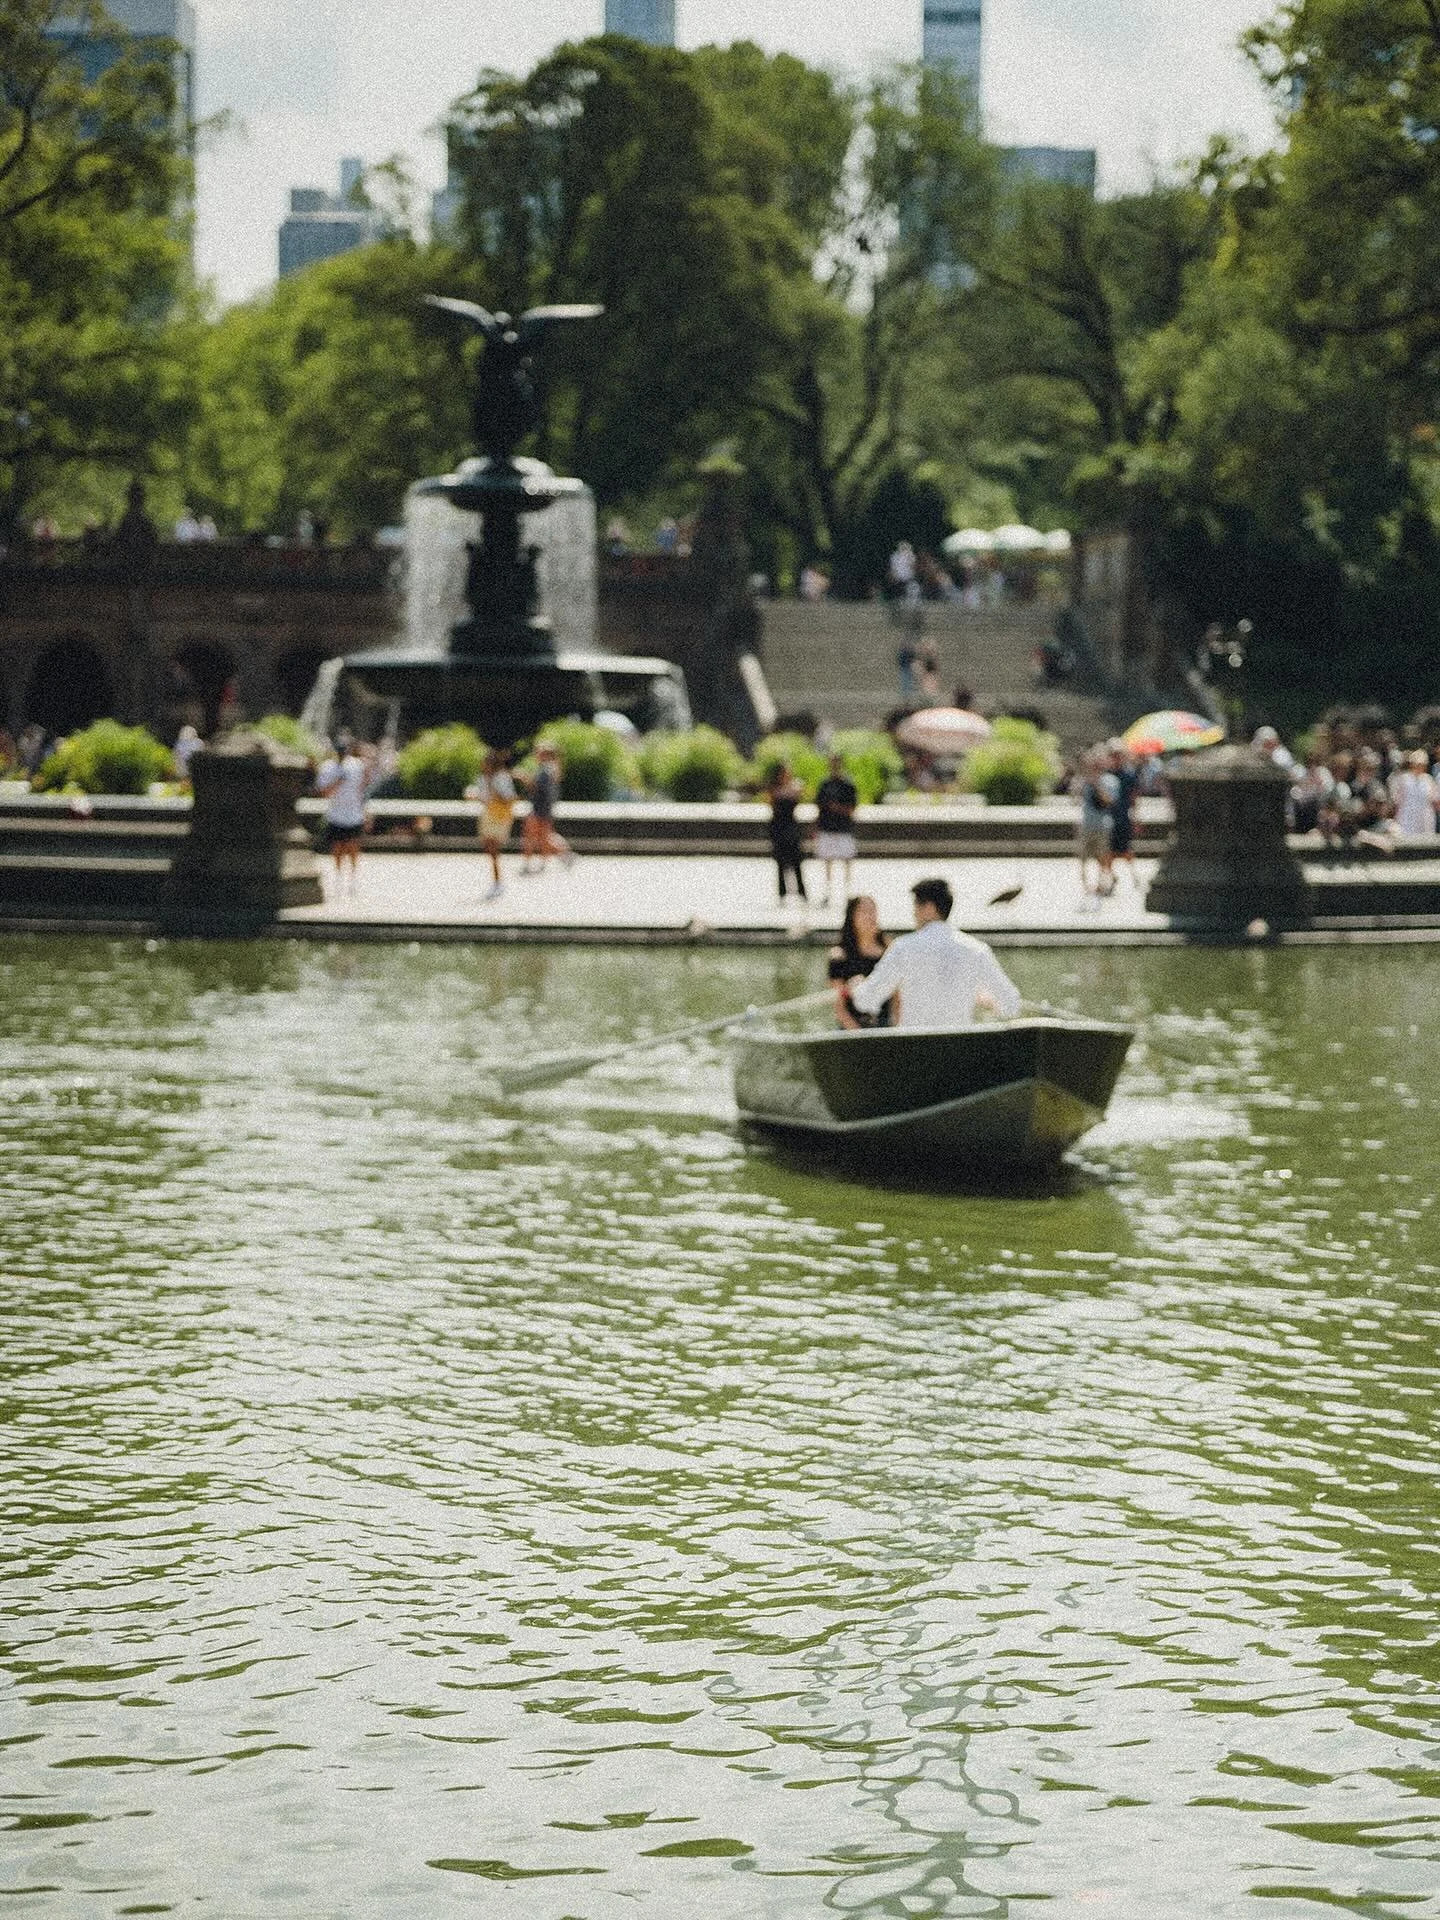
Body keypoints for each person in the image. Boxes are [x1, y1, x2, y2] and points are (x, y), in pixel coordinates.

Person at [849, 878, 1021, 1030]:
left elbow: (866, 1001)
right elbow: (1011, 1004)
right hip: (959, 1052)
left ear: (929, 908)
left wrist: (856, 987)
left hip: (915, 1052)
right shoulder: (976, 950)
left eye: (916, 905)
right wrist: (986, 999)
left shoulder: (903, 948)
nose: (913, 913)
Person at [316, 732, 377, 895]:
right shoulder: (328, 767)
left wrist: (365, 811)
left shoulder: (357, 765)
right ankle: (337, 877)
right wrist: (339, 781)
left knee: (353, 848)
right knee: (337, 848)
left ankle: (353, 879)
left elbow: (363, 790)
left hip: (354, 814)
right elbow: (324, 792)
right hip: (336, 814)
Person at [829, 895, 894, 1029]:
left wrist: (895, 1028)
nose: (870, 915)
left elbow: (897, 995)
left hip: (885, 1026)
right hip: (852, 1027)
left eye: (873, 910)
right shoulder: (839, 955)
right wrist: (858, 1034)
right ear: (852, 916)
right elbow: (839, 1006)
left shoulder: (889, 950)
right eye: (865, 911)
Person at [467, 749, 519, 898]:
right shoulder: (482, 778)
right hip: (489, 814)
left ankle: (498, 881)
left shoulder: (501, 778)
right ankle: (497, 879)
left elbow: (509, 797)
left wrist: (496, 794)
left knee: (493, 848)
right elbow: (485, 798)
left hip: (499, 816)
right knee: (489, 846)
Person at [814, 754, 859, 906]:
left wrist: (838, 808)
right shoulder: (824, 785)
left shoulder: (847, 786)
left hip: (843, 829)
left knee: (847, 862)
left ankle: (848, 894)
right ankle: (827, 893)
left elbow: (852, 808)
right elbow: (819, 807)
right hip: (827, 828)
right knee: (827, 863)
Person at [520, 743, 573, 873]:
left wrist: (524, 779)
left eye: (539, 752)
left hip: (540, 806)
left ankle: (529, 863)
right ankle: (558, 856)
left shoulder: (546, 769)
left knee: (531, 834)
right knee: (544, 835)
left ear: (545, 755)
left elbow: (538, 787)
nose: (536, 755)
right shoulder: (552, 768)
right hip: (545, 806)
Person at [1077, 749, 1118, 896]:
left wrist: (1096, 785)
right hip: (1087, 823)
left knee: (1103, 856)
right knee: (1083, 856)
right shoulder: (1084, 780)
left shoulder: (1110, 781)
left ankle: (1102, 883)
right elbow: (1075, 797)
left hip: (1103, 825)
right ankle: (1086, 884)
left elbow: (1109, 801)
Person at [767, 761, 808, 906]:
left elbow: (799, 794)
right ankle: (782, 892)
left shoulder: (794, 787)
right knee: (780, 862)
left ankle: (802, 892)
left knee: (797, 861)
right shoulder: (774, 789)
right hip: (778, 827)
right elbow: (771, 803)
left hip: (791, 827)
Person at [1108, 744, 1141, 888]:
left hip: (1123, 816)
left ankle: (1134, 875)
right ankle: (1111, 876)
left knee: (1126, 850)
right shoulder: (1107, 775)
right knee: (1107, 851)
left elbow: (1133, 797)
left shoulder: (1129, 775)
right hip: (1108, 817)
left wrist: (1136, 817)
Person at [1390, 750, 1437, 839]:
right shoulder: (1403, 779)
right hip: (1406, 819)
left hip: (1425, 819)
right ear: (1411, 764)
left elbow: (1434, 801)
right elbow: (1396, 802)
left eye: (1422, 764)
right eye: (1416, 764)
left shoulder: (1429, 780)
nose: (1419, 767)